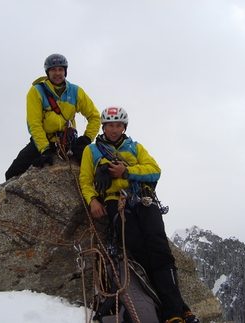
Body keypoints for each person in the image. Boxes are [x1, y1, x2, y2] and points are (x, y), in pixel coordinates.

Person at [79, 107, 199, 323]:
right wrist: (93, 200)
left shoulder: (135, 147)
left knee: (160, 250)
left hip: (143, 199)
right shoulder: (92, 151)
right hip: (115, 201)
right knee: (139, 252)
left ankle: (175, 310)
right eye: (109, 125)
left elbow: (155, 170)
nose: (114, 130)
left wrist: (126, 172)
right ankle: (175, 309)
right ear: (103, 127)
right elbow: (85, 181)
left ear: (124, 127)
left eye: (118, 125)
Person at [5, 53, 101, 180]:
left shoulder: (76, 91)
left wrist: (87, 138)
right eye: (53, 70)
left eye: (61, 69)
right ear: (47, 72)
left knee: (96, 169)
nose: (57, 73)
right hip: (45, 140)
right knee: (13, 172)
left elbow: (94, 116)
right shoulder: (36, 92)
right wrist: (44, 149)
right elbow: (34, 124)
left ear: (65, 72)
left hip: (69, 142)